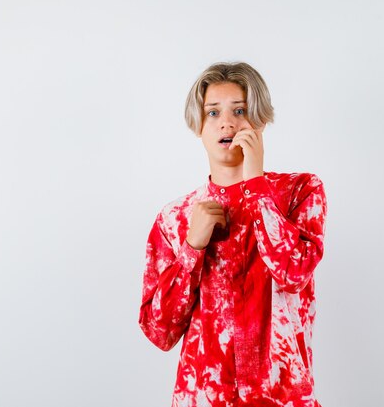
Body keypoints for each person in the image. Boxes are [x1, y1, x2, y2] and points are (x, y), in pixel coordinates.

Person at [138, 62, 328, 407]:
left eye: (240, 110)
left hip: (282, 397)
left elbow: (292, 272)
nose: (227, 122)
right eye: (213, 113)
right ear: (198, 125)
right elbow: (159, 332)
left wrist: (256, 187)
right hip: (205, 397)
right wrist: (192, 248)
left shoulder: (300, 192)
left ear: (260, 119)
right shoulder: (175, 219)